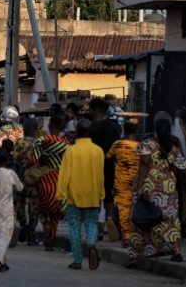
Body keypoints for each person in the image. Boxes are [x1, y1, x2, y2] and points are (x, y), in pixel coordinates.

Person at [128, 119, 186, 267]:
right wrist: (169, 179)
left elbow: (144, 165)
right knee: (170, 220)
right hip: (169, 189)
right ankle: (176, 250)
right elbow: (181, 168)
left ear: (155, 130)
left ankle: (136, 256)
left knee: (143, 219)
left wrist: (139, 188)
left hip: (150, 186)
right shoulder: (174, 148)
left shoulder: (147, 145)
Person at [56, 119, 104, 270]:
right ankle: (91, 244)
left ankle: (77, 261)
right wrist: (101, 195)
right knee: (91, 224)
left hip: (74, 197)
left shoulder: (71, 150)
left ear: (76, 133)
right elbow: (100, 176)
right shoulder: (98, 151)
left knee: (75, 228)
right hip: (93, 196)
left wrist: (60, 196)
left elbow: (65, 175)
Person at [27, 114, 70, 251]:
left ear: (49, 126)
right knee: (56, 213)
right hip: (60, 181)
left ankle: (45, 224)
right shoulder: (67, 144)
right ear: (62, 127)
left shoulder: (41, 141)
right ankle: (50, 243)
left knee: (40, 209)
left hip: (45, 179)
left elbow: (33, 161)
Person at [88, 98, 121, 242]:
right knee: (109, 198)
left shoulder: (88, 127)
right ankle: (109, 218)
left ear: (93, 110)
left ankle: (98, 228)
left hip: (92, 168)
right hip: (110, 167)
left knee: (95, 199)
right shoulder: (114, 127)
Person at [0, 147, 24, 272]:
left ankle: (2, 263)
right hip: (6, 208)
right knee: (5, 235)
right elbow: (20, 187)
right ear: (7, 159)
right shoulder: (10, 174)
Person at [106, 120, 140, 246]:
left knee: (123, 209)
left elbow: (107, 157)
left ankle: (126, 236)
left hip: (121, 182)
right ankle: (134, 234)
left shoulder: (117, 145)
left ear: (123, 129)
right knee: (135, 209)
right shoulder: (140, 147)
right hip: (136, 182)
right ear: (137, 131)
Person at [13, 118, 42, 245]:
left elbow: (14, 159)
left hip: (21, 179)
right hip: (35, 180)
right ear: (36, 130)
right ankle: (31, 237)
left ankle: (23, 223)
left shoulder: (20, 142)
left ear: (24, 129)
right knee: (34, 208)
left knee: (19, 204)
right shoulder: (40, 143)